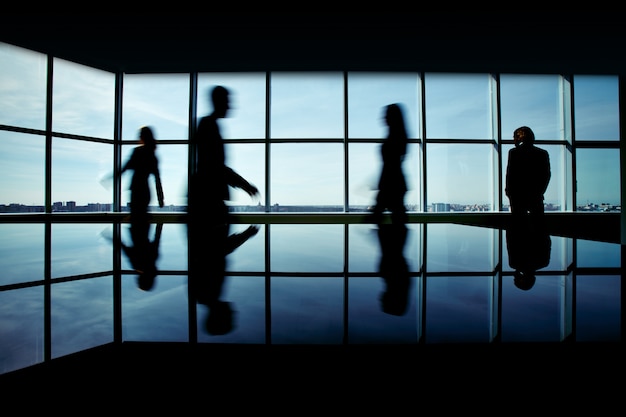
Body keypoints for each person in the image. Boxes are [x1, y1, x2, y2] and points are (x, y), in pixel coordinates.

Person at [187, 85, 261, 335]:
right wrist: (245, 185)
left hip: (205, 201)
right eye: (228, 100)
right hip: (209, 202)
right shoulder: (209, 126)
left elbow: (215, 253)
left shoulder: (205, 293)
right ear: (219, 101)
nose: (231, 105)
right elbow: (216, 167)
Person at [371, 103, 409, 226]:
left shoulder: (394, 138)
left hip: (391, 184)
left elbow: (389, 166)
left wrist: (381, 186)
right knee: (398, 222)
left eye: (386, 115)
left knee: (391, 222)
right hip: (395, 184)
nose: (383, 118)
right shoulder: (399, 137)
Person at [505, 126, 551, 221]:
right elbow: (546, 175)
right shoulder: (542, 153)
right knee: (538, 226)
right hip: (535, 196)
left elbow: (510, 175)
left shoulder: (514, 153)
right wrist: (540, 192)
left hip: (517, 196)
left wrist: (509, 192)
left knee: (519, 226)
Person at [121, 126, 164, 221]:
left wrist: (113, 176)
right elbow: (157, 180)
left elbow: (125, 167)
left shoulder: (137, 152)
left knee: (136, 219)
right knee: (140, 219)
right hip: (145, 192)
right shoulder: (152, 156)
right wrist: (160, 199)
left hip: (136, 190)